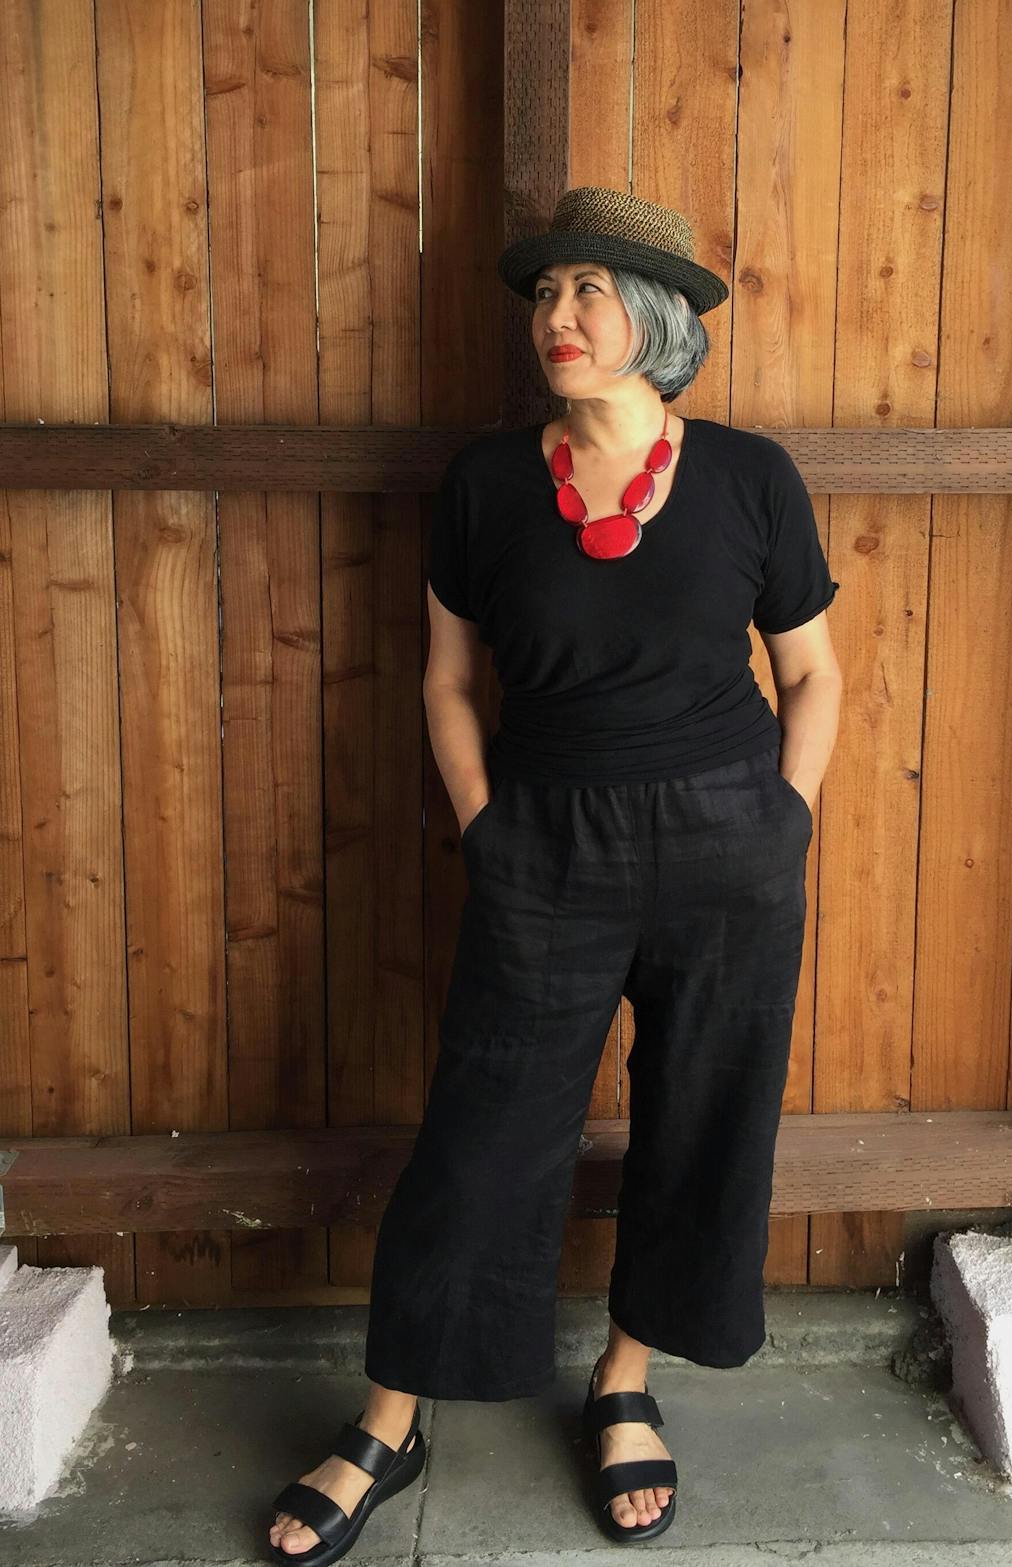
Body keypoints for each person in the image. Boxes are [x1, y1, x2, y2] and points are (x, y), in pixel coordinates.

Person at [268, 185, 843, 1561]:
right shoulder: (486, 484)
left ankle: (625, 1382)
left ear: (656, 318)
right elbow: (448, 679)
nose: (558, 317)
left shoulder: (750, 476)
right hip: (545, 844)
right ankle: (391, 1419)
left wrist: (784, 817)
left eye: (590, 291)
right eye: (545, 292)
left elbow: (813, 673)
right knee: (486, 1130)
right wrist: (488, 825)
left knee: (705, 1118)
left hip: (731, 842)